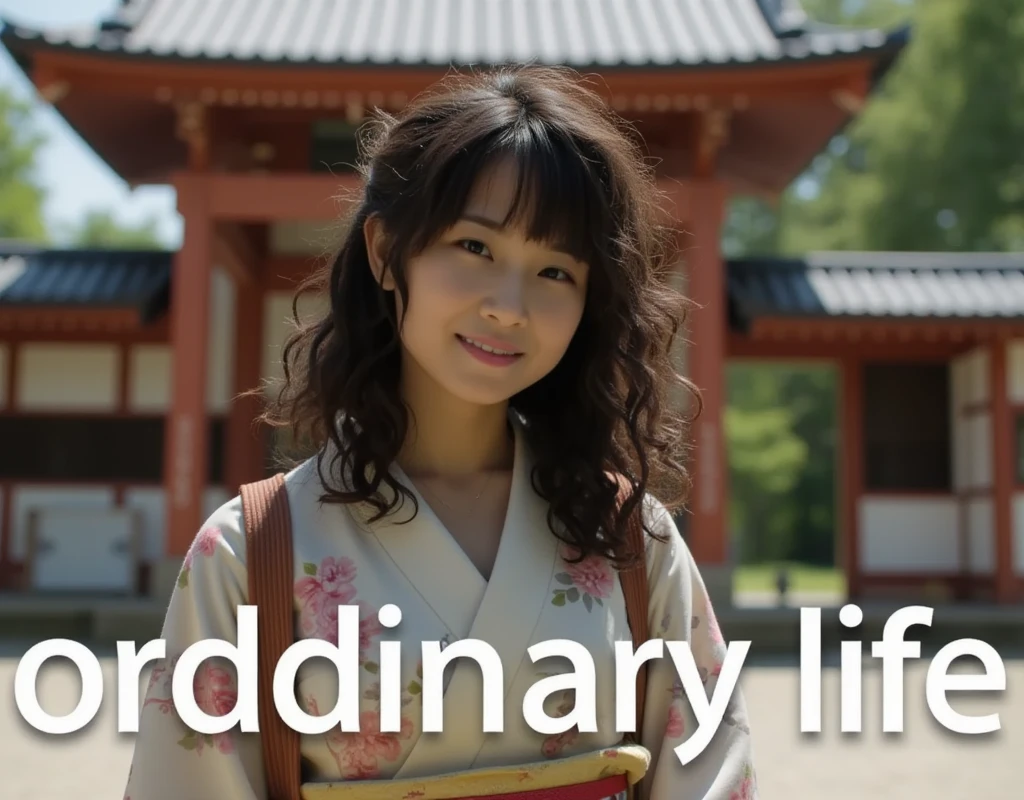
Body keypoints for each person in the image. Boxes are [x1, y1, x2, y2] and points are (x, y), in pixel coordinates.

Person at [123, 65, 757, 800]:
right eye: (476, 249)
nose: (509, 306)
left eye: (556, 271)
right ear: (388, 253)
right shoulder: (251, 550)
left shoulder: (630, 540)